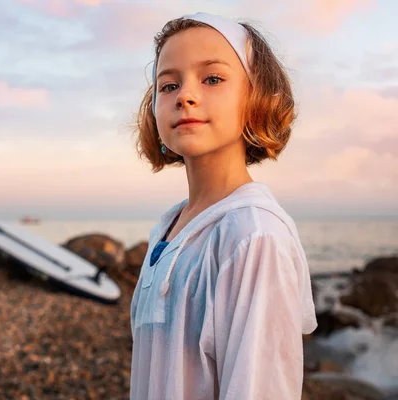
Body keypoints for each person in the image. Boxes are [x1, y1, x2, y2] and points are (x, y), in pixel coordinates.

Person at [129, 12, 317, 399]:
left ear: (256, 98)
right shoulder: (170, 226)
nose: (185, 94)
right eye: (168, 85)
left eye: (212, 78)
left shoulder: (253, 235)